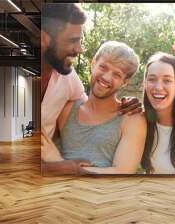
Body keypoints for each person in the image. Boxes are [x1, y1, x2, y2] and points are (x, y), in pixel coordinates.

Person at [40, 4, 141, 164]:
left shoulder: (69, 79)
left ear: (125, 81)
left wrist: (130, 102)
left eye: (117, 74)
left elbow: (93, 104)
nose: (79, 49)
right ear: (44, 39)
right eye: (73, 40)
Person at [42, 41, 147, 175]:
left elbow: (122, 173)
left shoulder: (132, 119)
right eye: (103, 67)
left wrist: (62, 165)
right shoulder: (67, 109)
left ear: (124, 82)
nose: (107, 77)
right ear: (93, 63)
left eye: (117, 74)